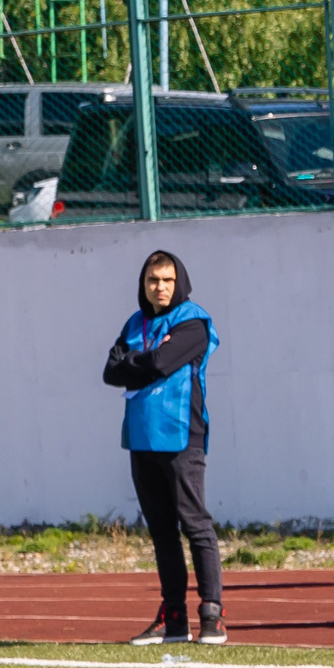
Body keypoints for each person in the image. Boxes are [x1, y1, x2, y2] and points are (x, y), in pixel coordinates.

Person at [106, 250, 226, 646]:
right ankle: (173, 619)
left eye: (167, 281)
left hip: (180, 434)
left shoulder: (192, 321)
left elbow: (160, 363)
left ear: (180, 283)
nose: (159, 288)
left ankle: (212, 613)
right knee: (161, 531)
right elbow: (110, 371)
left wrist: (135, 362)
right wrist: (143, 360)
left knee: (195, 524)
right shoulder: (134, 323)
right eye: (153, 281)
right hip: (141, 436)